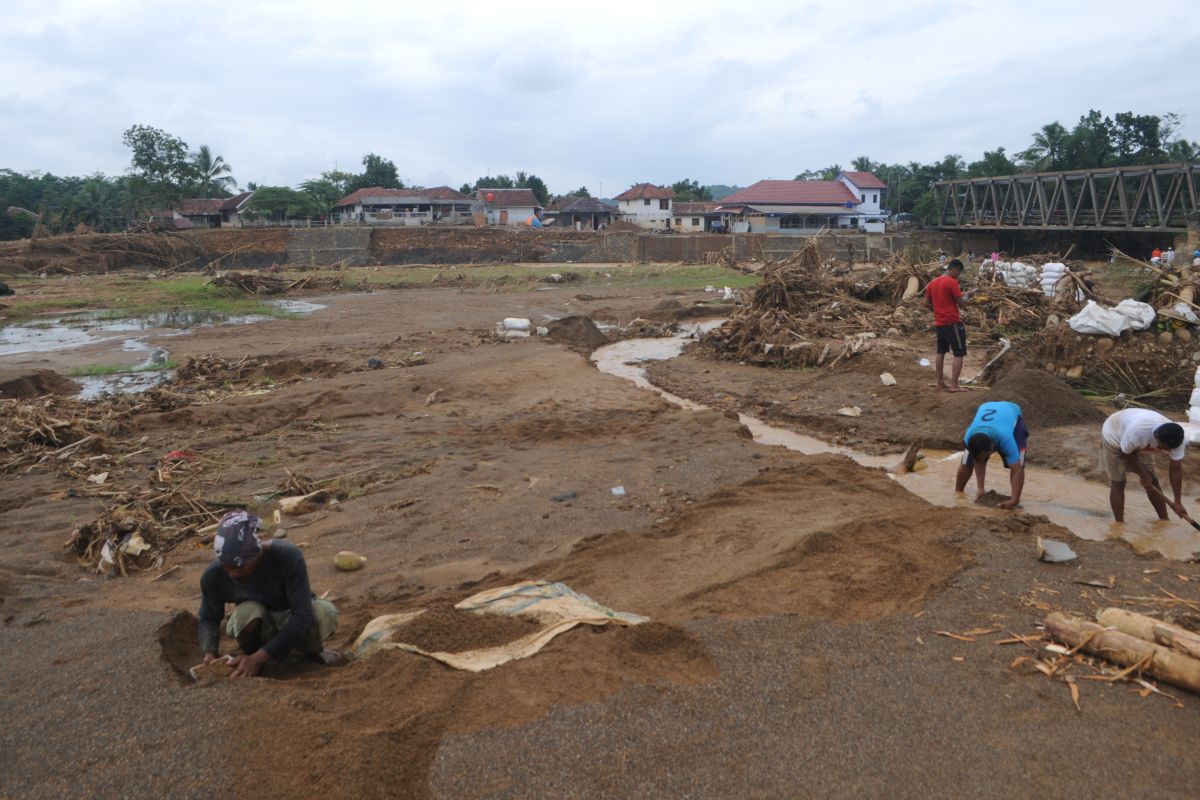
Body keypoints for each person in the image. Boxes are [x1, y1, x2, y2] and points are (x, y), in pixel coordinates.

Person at [198, 511, 339, 678]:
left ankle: (310, 651)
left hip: (291, 620)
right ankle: (254, 653)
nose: (232, 574)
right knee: (246, 612)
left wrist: (259, 659)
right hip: (261, 627)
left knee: (320, 612)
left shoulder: (287, 557)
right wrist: (210, 652)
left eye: (239, 567)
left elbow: (303, 616)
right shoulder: (213, 576)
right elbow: (209, 618)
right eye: (226, 567)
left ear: (257, 554)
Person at [1099, 409, 1188, 523]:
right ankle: (1119, 525)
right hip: (1115, 435)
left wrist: (1178, 501)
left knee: (1153, 482)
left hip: (1139, 444)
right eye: (1165, 448)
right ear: (1157, 438)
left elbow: (1175, 469)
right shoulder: (1138, 432)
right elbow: (1125, 452)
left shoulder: (1177, 439)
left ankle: (1164, 521)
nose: (1168, 451)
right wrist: (1143, 475)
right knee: (1119, 482)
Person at [955, 401, 1028, 509]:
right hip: (986, 407)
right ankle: (958, 492)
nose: (984, 459)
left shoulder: (1006, 439)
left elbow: (1016, 469)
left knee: (1018, 463)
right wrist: (980, 489)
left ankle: (1015, 498)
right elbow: (977, 460)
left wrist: (1014, 500)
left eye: (986, 456)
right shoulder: (968, 438)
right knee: (967, 462)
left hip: (1012, 414)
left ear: (992, 447)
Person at [923, 258, 973, 392]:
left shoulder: (933, 282)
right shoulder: (952, 282)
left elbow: (926, 303)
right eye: (958, 272)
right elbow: (961, 303)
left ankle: (940, 382)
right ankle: (954, 385)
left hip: (940, 323)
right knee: (959, 353)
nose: (958, 275)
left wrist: (939, 307)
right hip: (953, 323)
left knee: (941, 352)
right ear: (955, 269)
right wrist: (967, 295)